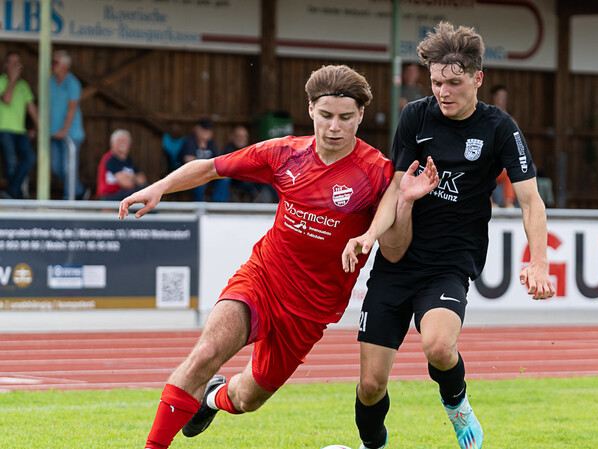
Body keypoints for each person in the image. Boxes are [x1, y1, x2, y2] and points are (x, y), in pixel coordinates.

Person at [120, 64, 437, 449]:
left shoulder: (378, 173)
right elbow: (210, 168)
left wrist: (404, 203)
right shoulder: (284, 153)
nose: (334, 127)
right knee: (205, 354)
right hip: (262, 280)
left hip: (310, 312)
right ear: (310, 111)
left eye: (345, 118)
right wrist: (159, 188)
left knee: (247, 398)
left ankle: (212, 398)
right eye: (326, 116)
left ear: (361, 117)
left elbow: (395, 248)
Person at [342, 22, 554, 449]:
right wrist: (370, 234)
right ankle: (372, 446)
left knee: (438, 347)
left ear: (477, 79)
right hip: (398, 260)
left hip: (451, 262)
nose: (443, 92)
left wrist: (539, 260)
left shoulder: (499, 127)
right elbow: (396, 187)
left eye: (454, 83)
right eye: (437, 82)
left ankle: (457, 405)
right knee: (370, 384)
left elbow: (531, 201)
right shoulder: (415, 116)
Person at [0, 50, 39, 199]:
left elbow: (32, 108)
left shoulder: (24, 85)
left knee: (30, 157)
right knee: (11, 163)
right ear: (6, 65)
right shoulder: (2, 81)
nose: (16, 66)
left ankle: (13, 192)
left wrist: (37, 128)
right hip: (4, 129)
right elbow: (7, 99)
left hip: (20, 130)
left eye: (18, 63)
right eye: (13, 62)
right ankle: (16, 194)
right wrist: (12, 80)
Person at [50, 49, 87, 200]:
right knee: (55, 167)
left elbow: (72, 108)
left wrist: (64, 130)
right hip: (53, 133)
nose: (52, 65)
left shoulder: (73, 83)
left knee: (68, 168)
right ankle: (79, 191)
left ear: (65, 65)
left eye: (55, 62)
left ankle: (69, 199)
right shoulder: (50, 82)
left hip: (71, 134)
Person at [222, 125, 277, 203]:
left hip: (252, 178)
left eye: (244, 136)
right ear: (232, 137)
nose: (242, 139)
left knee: (270, 178)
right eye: (239, 136)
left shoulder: (249, 149)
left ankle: (279, 204)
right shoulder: (228, 150)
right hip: (237, 180)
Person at [180, 118, 230, 202]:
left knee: (225, 177)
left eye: (209, 130)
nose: (207, 132)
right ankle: (200, 206)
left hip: (208, 172)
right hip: (191, 173)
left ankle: (217, 204)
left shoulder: (211, 143)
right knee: (200, 182)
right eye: (204, 129)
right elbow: (188, 161)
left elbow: (216, 160)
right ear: (197, 129)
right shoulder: (190, 141)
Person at [97, 129, 148, 201]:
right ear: (112, 143)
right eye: (119, 141)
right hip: (111, 197)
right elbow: (127, 184)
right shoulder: (110, 159)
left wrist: (130, 177)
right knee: (145, 192)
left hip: (125, 195)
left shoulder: (128, 161)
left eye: (125, 141)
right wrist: (134, 177)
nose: (122, 143)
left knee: (148, 189)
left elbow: (142, 180)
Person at [488, 84, 516, 208]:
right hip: (488, 161)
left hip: (504, 163)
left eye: (503, 96)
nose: (501, 99)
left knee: (512, 172)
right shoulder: (486, 117)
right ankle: (490, 203)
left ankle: (508, 203)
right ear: (493, 97)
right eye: (499, 96)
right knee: (483, 171)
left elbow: (517, 144)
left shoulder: (512, 120)